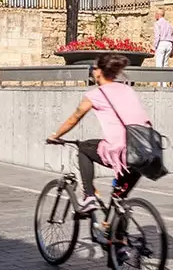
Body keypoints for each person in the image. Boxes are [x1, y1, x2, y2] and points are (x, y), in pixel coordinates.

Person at [46, 54, 151, 212]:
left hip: (121, 152)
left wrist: (55, 136)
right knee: (119, 199)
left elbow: (74, 119)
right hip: (144, 152)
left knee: (84, 148)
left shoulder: (96, 94)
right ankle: (115, 234)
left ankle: (89, 196)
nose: (92, 71)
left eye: (93, 68)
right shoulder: (127, 89)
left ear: (99, 72)